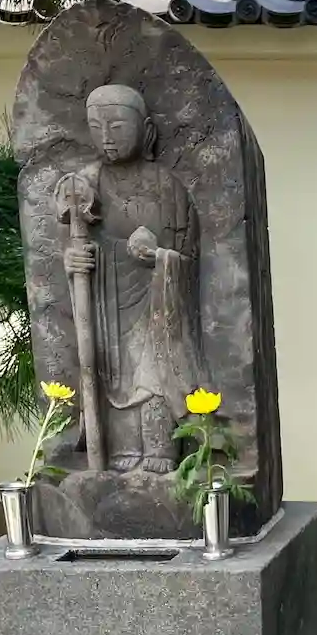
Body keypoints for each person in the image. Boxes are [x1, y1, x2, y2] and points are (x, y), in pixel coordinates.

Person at [56, 84, 204, 473]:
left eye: (118, 126)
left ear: (147, 130)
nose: (106, 137)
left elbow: (189, 257)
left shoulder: (166, 186)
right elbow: (73, 240)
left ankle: (161, 448)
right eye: (96, 127)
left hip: (155, 301)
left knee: (153, 371)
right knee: (111, 373)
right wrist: (74, 260)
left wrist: (160, 256)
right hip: (107, 304)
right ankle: (121, 451)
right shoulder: (85, 184)